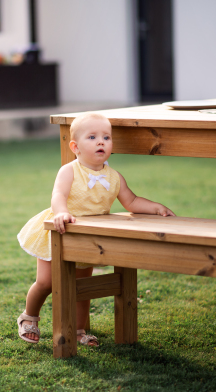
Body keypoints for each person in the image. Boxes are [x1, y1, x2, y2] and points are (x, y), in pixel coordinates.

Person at [16, 112, 176, 346]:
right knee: (46, 282)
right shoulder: (70, 170)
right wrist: (61, 212)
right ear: (75, 146)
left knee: (83, 289)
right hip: (61, 230)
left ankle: (79, 329)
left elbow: (131, 201)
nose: (101, 142)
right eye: (92, 137)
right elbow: (58, 195)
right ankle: (29, 317)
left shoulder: (114, 177)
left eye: (106, 137)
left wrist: (155, 207)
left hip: (87, 237)